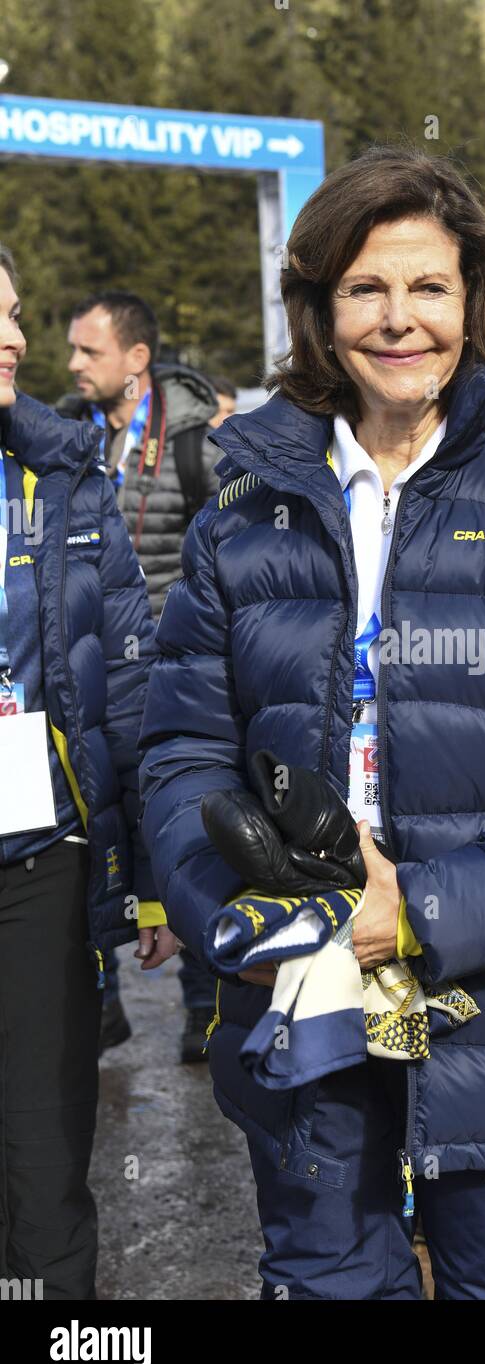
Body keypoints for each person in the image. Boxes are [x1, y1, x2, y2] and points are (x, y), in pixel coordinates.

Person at [138, 145, 485, 1301]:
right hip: (299, 1003)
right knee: (328, 1280)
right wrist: (227, 912)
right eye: (365, 289)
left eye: (428, 288)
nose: (400, 321)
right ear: (319, 311)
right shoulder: (241, 512)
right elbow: (180, 750)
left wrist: (422, 914)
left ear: (473, 299)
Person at [0, 244, 173, 1298]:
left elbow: (129, 685)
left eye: (15, 312)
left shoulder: (61, 476)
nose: (15, 339)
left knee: (45, 1153)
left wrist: (149, 870)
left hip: (38, 866)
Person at [57, 292, 221, 1062]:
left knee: (180, 831)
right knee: (89, 833)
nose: (72, 365)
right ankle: (100, 999)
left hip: (170, 678)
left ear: (136, 361)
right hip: (85, 674)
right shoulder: (59, 438)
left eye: (88, 352)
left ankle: (203, 1001)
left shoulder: (193, 443)